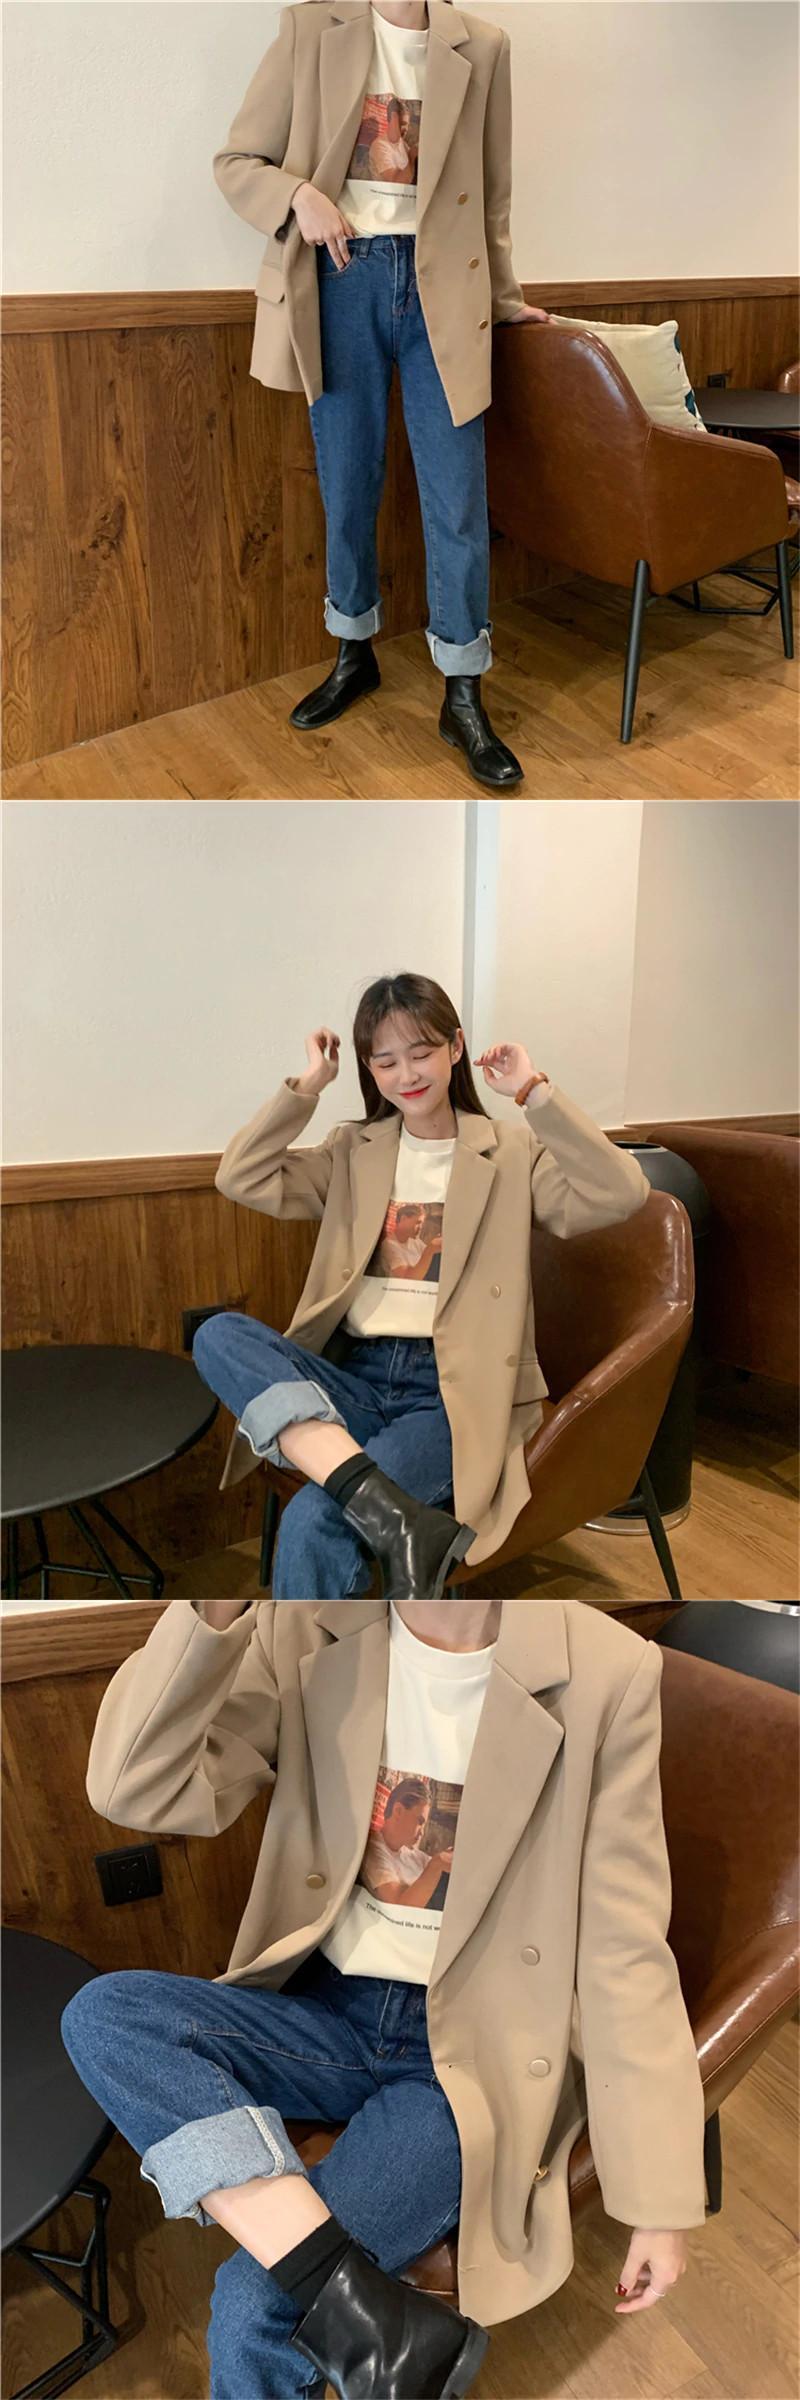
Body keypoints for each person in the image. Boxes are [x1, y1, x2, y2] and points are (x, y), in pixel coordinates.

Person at [60, 1595, 707, 2400]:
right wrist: (213, 1613)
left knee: (254, 2314)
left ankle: (339, 2296)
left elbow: (623, 1948)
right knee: (107, 2017)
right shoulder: (303, 1624)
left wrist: (659, 2201)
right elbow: (135, 1789)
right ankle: (362, 2307)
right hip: (324, 2011)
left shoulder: (606, 1667)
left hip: (469, 2055)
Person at [192, 970, 651, 1599]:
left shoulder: (510, 1152)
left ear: (455, 1048)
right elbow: (239, 1177)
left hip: (450, 1393)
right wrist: (308, 1086)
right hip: (353, 1376)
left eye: (421, 1052)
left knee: (313, 1521)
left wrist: (534, 1092)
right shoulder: (352, 1149)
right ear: (368, 1069)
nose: (406, 1074)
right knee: (218, 1334)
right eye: (385, 1061)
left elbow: (622, 1193)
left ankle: (316, 1645)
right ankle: (375, 1499)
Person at [212, 0, 556, 790]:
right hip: (341, 279)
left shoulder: (484, 46)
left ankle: (463, 692)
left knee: (457, 495)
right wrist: (299, 196)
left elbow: (492, 194)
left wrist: (504, 300)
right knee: (348, 479)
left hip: (445, 290)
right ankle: (353, 650)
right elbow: (237, 161)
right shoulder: (311, 29)